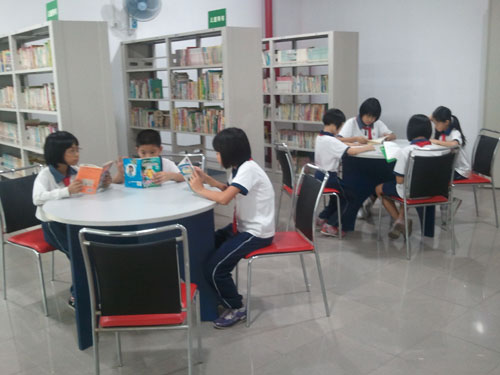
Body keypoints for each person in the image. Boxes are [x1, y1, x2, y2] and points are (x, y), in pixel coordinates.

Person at [189, 128, 274, 328]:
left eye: (218, 152)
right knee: (206, 243)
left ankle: (236, 307)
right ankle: (215, 294)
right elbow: (230, 190)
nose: (216, 155)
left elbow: (225, 199)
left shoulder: (248, 170)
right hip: (243, 226)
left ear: (230, 152)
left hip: (256, 232)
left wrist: (200, 190)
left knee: (216, 268)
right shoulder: (240, 167)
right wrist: (208, 181)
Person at [32, 131, 111, 309]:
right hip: (53, 225)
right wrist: (66, 191)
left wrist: (103, 184)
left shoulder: (77, 171)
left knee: (91, 250)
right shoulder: (46, 175)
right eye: (72, 151)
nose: (77, 155)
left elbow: (87, 191)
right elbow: (37, 198)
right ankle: (78, 295)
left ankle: (96, 288)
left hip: (75, 222)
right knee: (80, 255)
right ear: (57, 153)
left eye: (77, 150)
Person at [375, 114, 441, 239]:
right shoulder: (437, 149)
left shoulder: (407, 151)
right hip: (433, 191)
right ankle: (401, 219)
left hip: (411, 192)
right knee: (408, 186)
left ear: (410, 130)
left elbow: (399, 180)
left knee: (380, 189)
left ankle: (401, 222)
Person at [315, 108, 374, 237]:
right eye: (340, 126)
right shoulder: (331, 141)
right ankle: (331, 225)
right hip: (329, 178)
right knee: (351, 197)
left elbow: (340, 143)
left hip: (319, 176)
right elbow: (350, 151)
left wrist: (356, 143)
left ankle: (323, 217)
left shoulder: (321, 137)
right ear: (335, 125)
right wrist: (368, 147)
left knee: (336, 197)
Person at [338, 98, 396, 219]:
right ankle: (359, 204)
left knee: (387, 173)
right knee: (362, 179)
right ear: (362, 113)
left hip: (374, 160)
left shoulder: (378, 124)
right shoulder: (351, 123)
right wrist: (354, 139)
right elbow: (338, 139)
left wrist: (389, 136)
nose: (371, 120)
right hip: (355, 162)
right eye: (368, 116)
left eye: (374, 117)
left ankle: (370, 201)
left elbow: (393, 135)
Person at [430, 106, 470, 226]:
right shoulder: (442, 129)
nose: (435, 126)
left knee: (440, 179)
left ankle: (448, 205)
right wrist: (432, 118)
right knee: (433, 174)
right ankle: (446, 203)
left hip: (460, 170)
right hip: (448, 167)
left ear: (446, 122)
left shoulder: (454, 133)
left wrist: (436, 141)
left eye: (437, 123)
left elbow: (454, 144)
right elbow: (431, 118)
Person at [113, 129, 184, 184]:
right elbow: (115, 182)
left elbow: (183, 177)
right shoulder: (133, 165)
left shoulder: (166, 163)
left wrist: (171, 175)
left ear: (160, 149)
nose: (148, 156)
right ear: (137, 150)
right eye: (143, 153)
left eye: (152, 152)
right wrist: (121, 172)